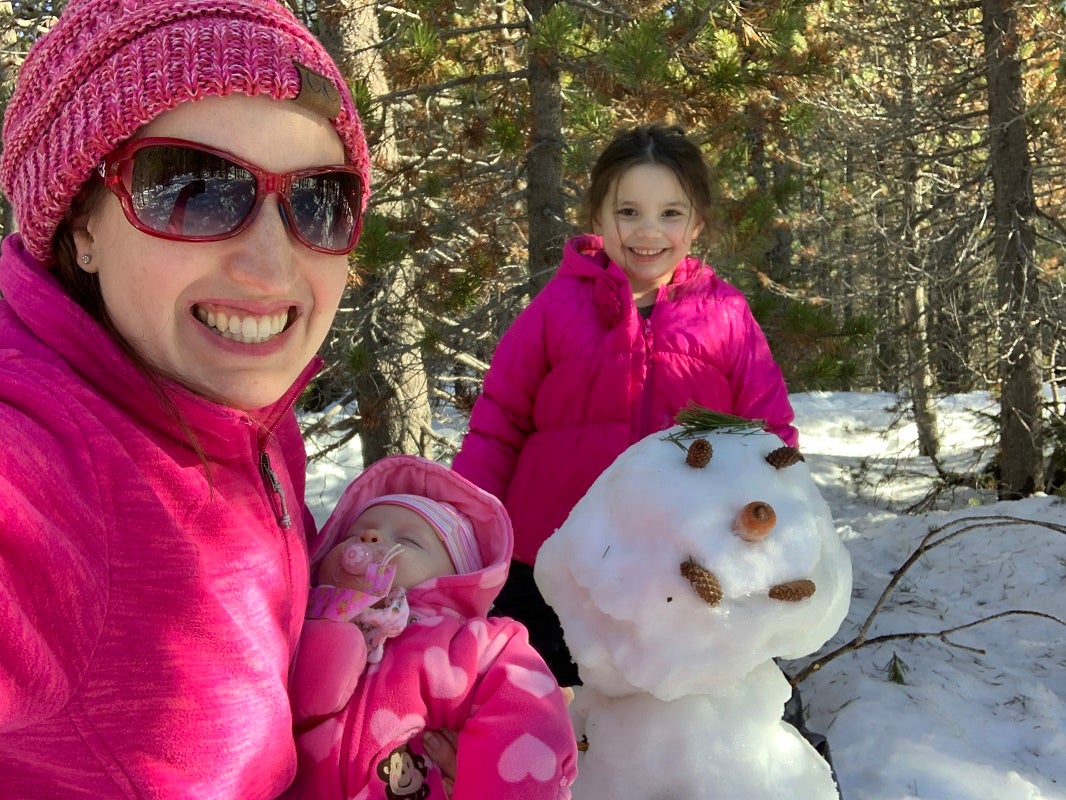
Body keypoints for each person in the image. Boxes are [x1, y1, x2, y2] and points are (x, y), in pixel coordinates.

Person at [0, 1, 456, 796]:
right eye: (195, 188)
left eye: (319, 199)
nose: (272, 266)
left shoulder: (237, 416)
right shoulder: (41, 468)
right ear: (81, 226)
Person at [451, 122, 798, 685]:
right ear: (598, 217)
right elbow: (499, 423)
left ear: (697, 222)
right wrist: (465, 530)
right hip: (550, 561)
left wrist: (763, 535)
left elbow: (771, 436)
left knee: (679, 714)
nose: (647, 232)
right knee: (544, 711)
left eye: (669, 213)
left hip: (684, 565)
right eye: (629, 211)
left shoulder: (726, 316)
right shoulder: (556, 307)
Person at [285, 454, 578, 800]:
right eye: (352, 535)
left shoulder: (472, 644)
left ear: (457, 578)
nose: (370, 536)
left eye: (408, 540)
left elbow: (526, 715)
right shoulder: (297, 629)